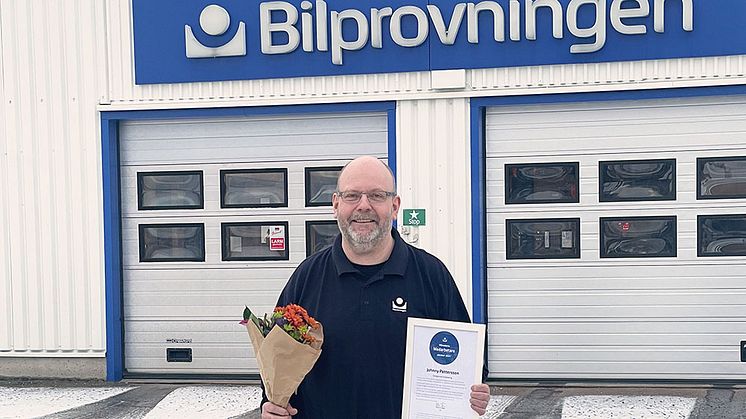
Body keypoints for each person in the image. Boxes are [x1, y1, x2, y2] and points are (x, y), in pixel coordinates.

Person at [261, 156, 490, 419]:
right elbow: (274, 358)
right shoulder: (307, 277)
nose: (363, 206)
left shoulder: (431, 275)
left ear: (394, 206)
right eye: (352, 196)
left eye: (376, 195)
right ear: (336, 204)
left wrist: (474, 391)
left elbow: (466, 360)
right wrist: (270, 404)